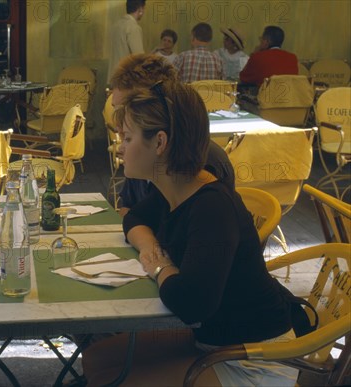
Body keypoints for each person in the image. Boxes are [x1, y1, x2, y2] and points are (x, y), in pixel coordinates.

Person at [82, 79, 297, 386]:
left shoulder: (211, 206)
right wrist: (152, 252)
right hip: (211, 339)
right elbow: (134, 219)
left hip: (254, 357)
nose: (119, 147)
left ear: (159, 142)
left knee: (113, 380)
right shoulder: (175, 186)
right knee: (96, 360)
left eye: (127, 138)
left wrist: (158, 266)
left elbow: (190, 302)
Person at [109, 54, 234, 216]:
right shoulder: (142, 154)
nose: (119, 124)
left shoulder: (196, 159)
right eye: (116, 109)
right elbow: (129, 211)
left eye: (125, 110)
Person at [107, 0, 146, 84]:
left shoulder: (116, 26)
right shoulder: (133, 27)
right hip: (127, 79)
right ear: (140, 9)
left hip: (113, 76)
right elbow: (138, 57)